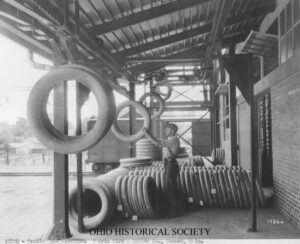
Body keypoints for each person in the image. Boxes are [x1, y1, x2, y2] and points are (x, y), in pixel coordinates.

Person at [162, 123, 184, 217]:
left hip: (171, 164)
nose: (165, 131)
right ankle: (175, 209)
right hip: (168, 164)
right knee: (169, 187)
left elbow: (156, 142)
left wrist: (146, 134)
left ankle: (174, 211)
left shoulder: (174, 139)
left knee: (170, 187)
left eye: (167, 129)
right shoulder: (169, 140)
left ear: (172, 131)